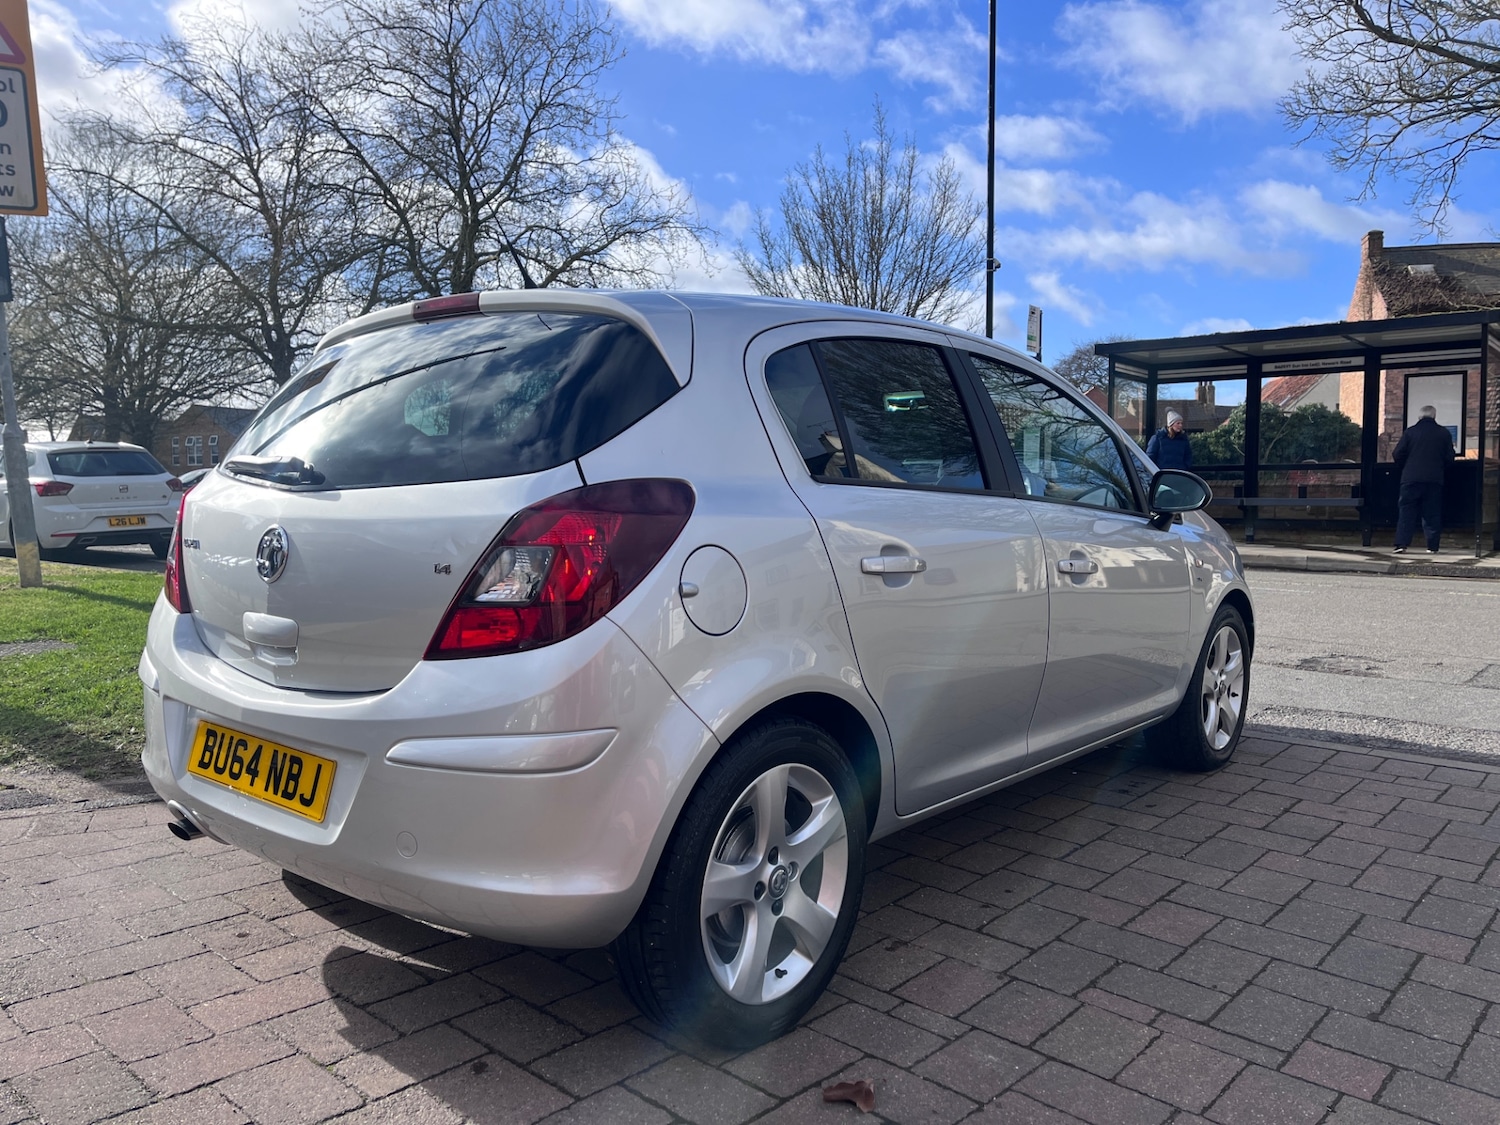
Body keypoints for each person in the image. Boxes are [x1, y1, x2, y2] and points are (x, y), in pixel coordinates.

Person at [1392, 404, 1456, 554]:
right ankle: (1432, 546)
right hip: (1434, 479)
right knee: (1432, 513)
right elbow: (1450, 457)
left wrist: (1406, 466)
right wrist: (1440, 468)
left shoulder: (1410, 432)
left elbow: (1397, 454)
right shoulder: (1443, 433)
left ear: (1419, 416)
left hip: (1410, 478)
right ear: (1434, 416)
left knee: (1406, 512)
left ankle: (1401, 544)